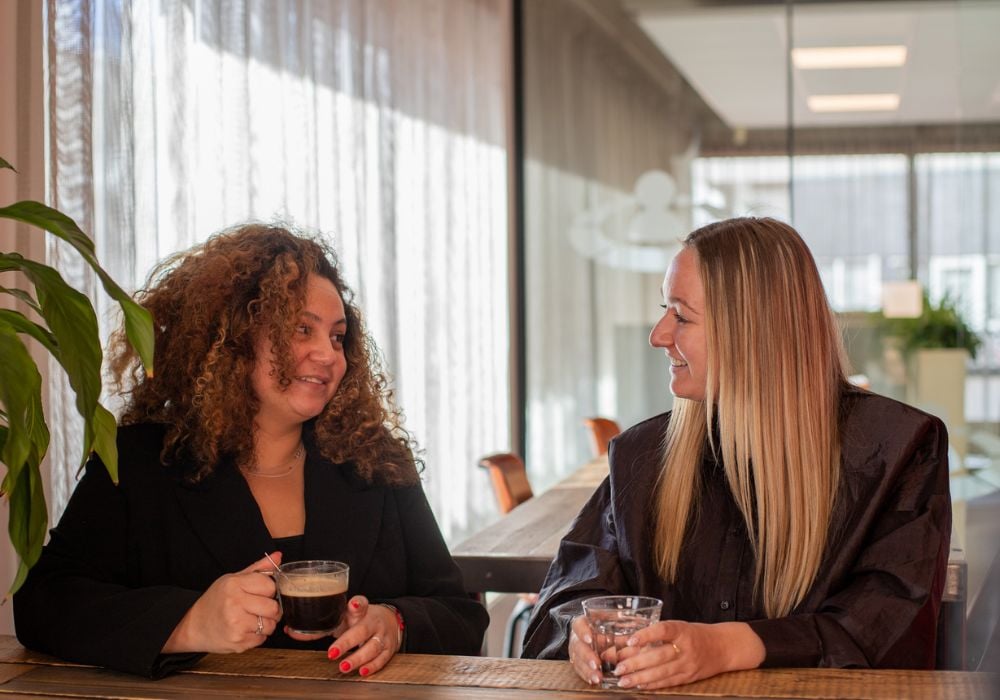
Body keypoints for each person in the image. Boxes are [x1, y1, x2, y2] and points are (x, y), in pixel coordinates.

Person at [14, 223, 488, 678]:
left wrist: (393, 624)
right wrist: (190, 622)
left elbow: (461, 615)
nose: (328, 354)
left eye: (338, 336)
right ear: (234, 338)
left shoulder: (376, 461)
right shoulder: (141, 461)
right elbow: (43, 604)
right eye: (303, 329)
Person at [521, 217, 952, 690]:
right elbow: (567, 595)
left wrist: (729, 647)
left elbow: (888, 633)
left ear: (755, 330)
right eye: (666, 310)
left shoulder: (899, 449)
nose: (658, 335)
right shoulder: (642, 456)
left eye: (681, 315)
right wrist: (581, 631)